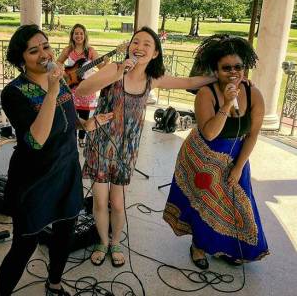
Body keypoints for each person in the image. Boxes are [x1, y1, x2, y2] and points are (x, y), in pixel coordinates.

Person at [75, 26, 216, 268]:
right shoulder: (114, 68)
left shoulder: (153, 79)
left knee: (117, 203)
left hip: (125, 150)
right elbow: (83, 90)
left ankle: (116, 241)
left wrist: (221, 77)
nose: (139, 47)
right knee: (99, 201)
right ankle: (102, 242)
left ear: (155, 54)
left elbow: (190, 81)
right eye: (135, 42)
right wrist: (118, 73)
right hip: (100, 144)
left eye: (146, 45)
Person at [0, 24, 112, 296]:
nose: (44, 54)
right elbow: (36, 140)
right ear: (20, 58)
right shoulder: (13, 92)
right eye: (33, 51)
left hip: (66, 171)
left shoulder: (59, 81)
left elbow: (66, 119)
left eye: (46, 46)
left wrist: (86, 124)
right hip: (34, 180)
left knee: (65, 235)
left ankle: (54, 284)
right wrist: (50, 91)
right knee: (23, 247)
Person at [163, 34, 269, 269]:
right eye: (226, 68)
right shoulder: (206, 94)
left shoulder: (254, 94)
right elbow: (209, 133)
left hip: (235, 157)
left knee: (236, 204)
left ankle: (228, 247)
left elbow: (252, 134)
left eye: (238, 67)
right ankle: (198, 246)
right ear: (215, 70)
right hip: (202, 155)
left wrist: (239, 167)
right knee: (204, 204)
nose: (233, 72)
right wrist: (227, 104)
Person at [57, 23, 106, 148]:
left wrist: (106, 63)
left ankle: (81, 138)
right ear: (72, 35)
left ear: (85, 36)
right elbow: (58, 61)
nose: (78, 36)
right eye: (76, 33)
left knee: (84, 114)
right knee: (71, 114)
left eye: (81, 33)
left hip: (85, 88)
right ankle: (72, 138)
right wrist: (63, 73)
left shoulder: (90, 51)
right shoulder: (68, 50)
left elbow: (101, 67)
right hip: (70, 87)